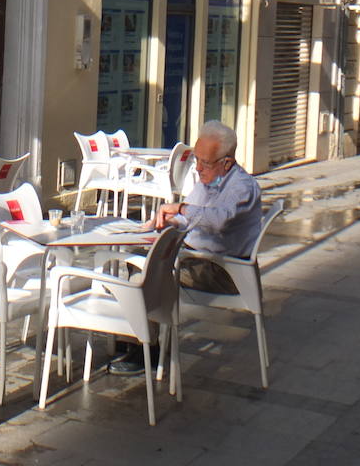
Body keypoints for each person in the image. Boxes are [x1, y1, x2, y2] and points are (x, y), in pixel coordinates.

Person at [109, 119, 263, 375]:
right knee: (137, 260)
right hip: (200, 259)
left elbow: (217, 220)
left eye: (205, 162)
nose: (198, 168)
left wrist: (180, 208)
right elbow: (190, 217)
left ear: (226, 162)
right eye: (196, 160)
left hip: (224, 272)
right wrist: (167, 220)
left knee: (148, 273)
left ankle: (147, 348)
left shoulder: (242, 187)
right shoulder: (210, 181)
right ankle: (139, 338)